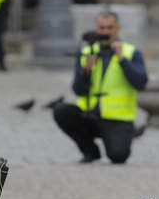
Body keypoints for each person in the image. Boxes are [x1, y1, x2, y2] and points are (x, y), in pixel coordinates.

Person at [52, 11, 148, 164]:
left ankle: (125, 135)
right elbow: (77, 90)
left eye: (110, 28)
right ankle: (90, 151)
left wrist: (122, 59)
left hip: (116, 118)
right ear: (96, 29)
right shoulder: (87, 53)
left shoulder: (131, 52)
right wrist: (87, 71)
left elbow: (141, 83)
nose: (105, 32)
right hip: (90, 115)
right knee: (61, 110)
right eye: (102, 28)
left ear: (118, 28)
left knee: (118, 156)